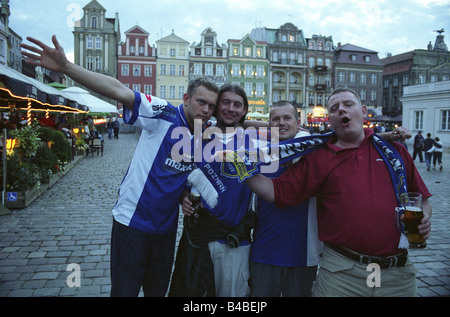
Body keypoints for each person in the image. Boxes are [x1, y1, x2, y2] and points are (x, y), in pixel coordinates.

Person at [20, 35, 220, 297]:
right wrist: (67, 67)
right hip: (132, 223)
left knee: (157, 292)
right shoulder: (163, 112)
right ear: (186, 98)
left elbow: (180, 171)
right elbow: (118, 90)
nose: (206, 109)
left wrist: (183, 194)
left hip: (166, 229)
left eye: (211, 106)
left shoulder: (203, 133)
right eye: (201, 102)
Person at [243, 87, 432, 297]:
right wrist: (241, 168)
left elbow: (421, 199)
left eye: (348, 105)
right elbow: (276, 191)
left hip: (396, 274)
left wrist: (424, 218)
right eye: (334, 108)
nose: (342, 110)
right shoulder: (319, 157)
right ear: (330, 120)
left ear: (363, 111)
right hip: (343, 273)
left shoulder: (394, 151)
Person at [171, 84, 254, 297]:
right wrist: (183, 197)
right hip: (198, 236)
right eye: (225, 103)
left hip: (233, 241)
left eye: (237, 104)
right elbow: (183, 176)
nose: (230, 108)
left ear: (244, 110)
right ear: (217, 107)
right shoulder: (197, 137)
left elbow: (292, 133)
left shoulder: (254, 142)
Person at [249, 101, 321, 297]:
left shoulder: (314, 151)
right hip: (264, 252)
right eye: (276, 119)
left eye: (287, 118)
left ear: (298, 123)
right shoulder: (260, 150)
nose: (281, 123)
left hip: (303, 255)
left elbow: (345, 140)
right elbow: (237, 126)